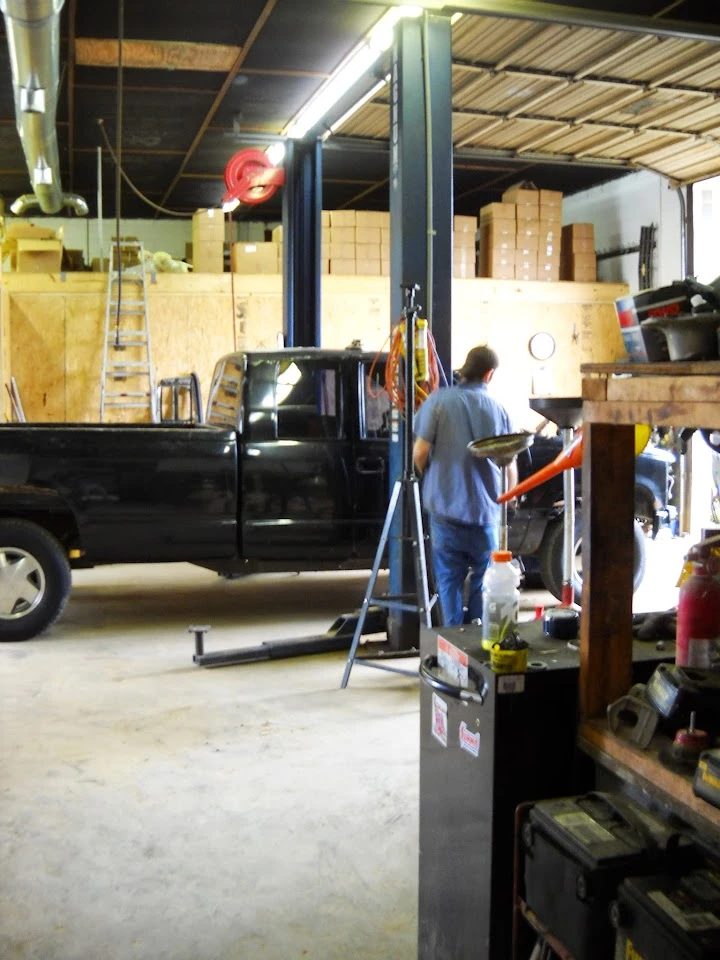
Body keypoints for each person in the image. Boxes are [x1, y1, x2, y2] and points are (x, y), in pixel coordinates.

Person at [413, 345, 516, 626]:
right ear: (489, 374)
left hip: (445, 512)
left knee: (448, 581)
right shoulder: (498, 409)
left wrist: (430, 478)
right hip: (485, 515)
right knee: (487, 580)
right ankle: (478, 636)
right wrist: (510, 501)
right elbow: (509, 465)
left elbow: (420, 452)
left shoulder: (438, 402)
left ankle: (453, 640)